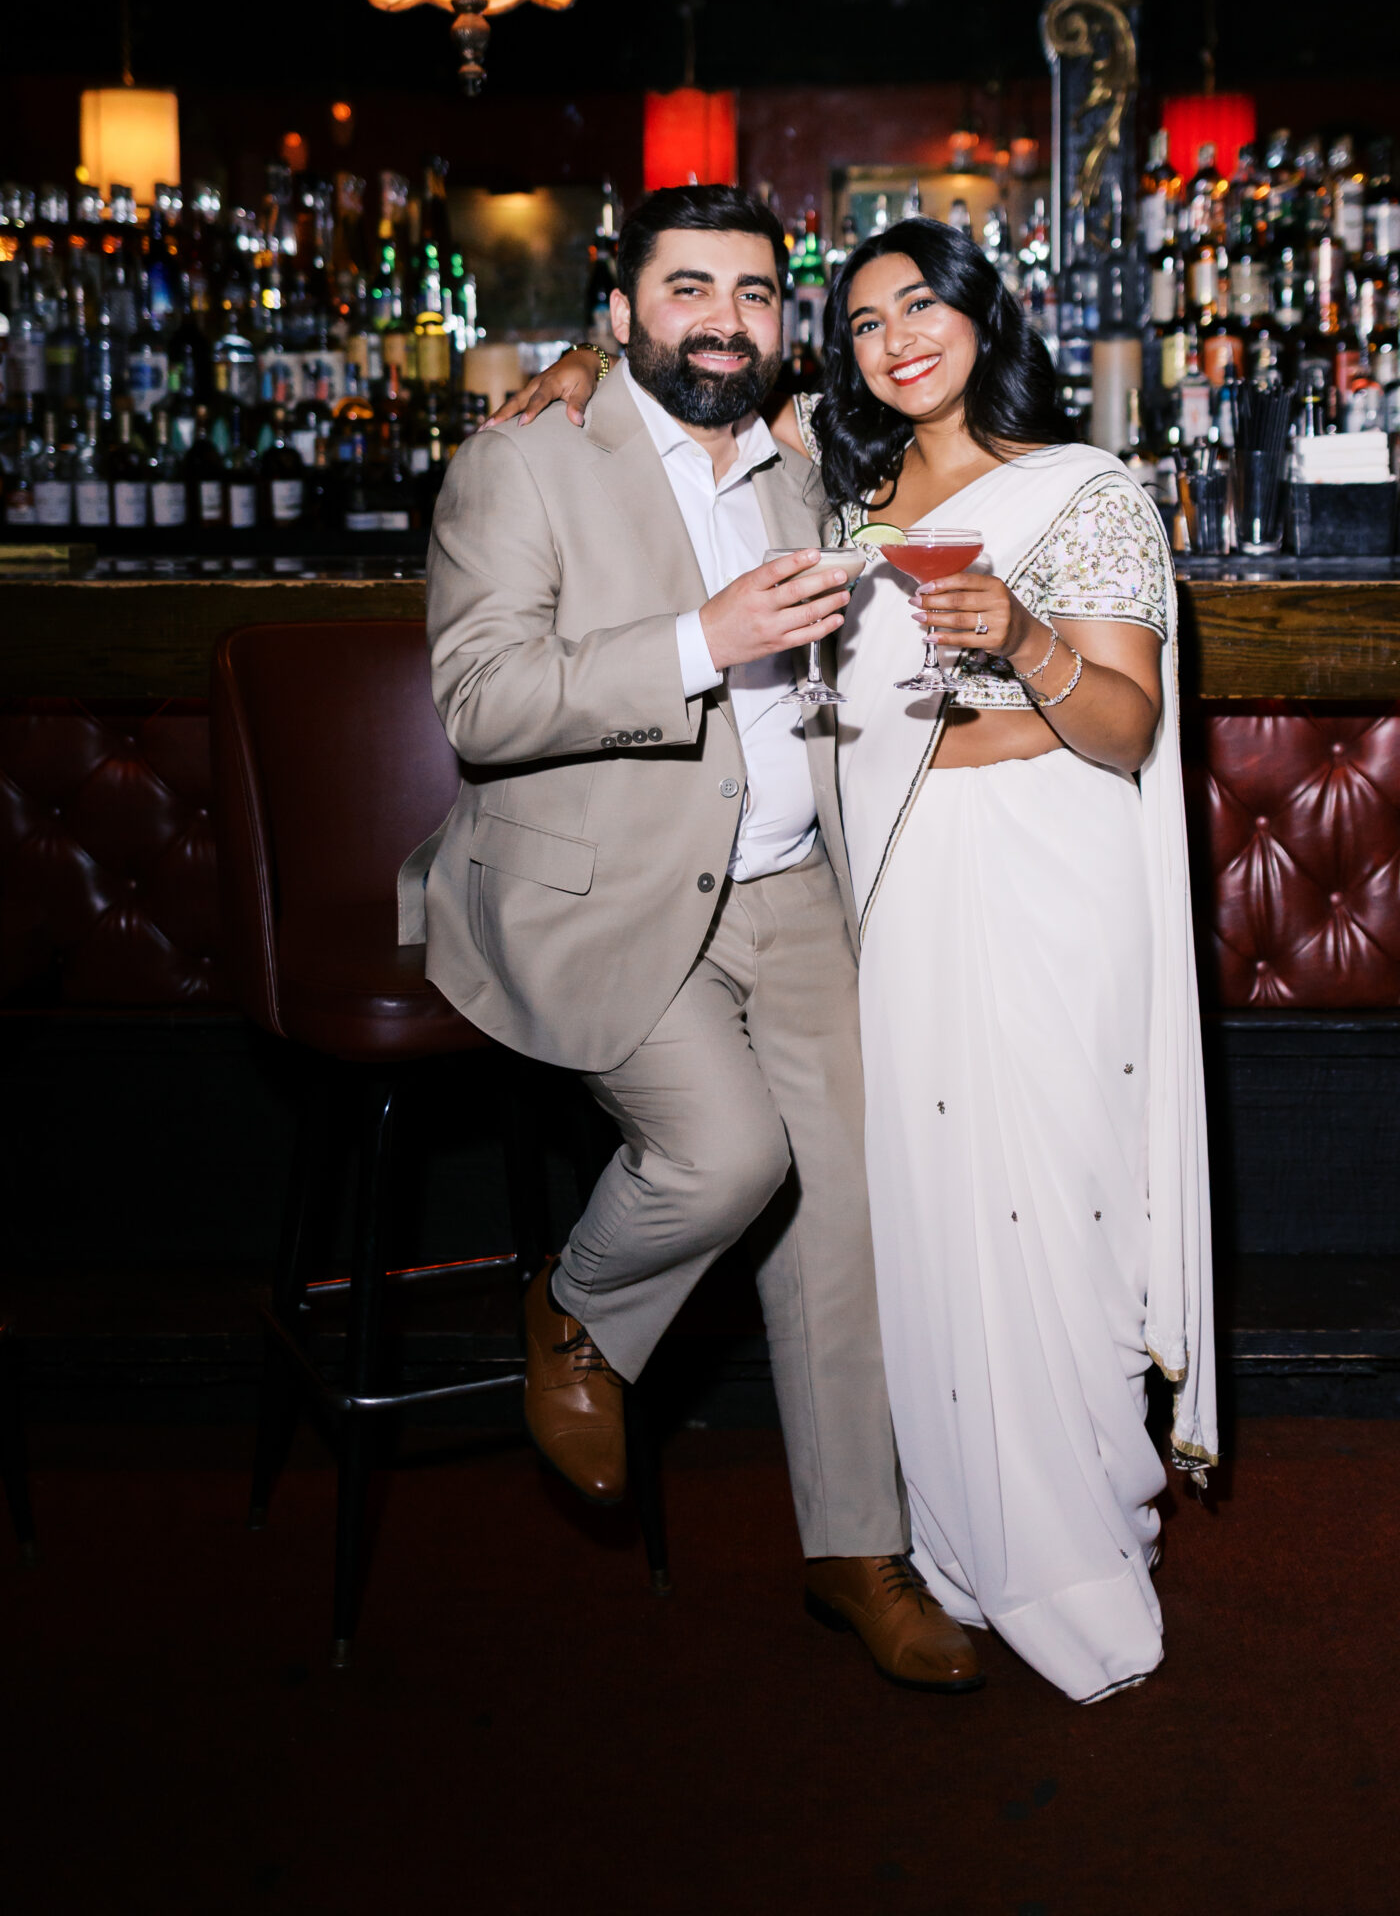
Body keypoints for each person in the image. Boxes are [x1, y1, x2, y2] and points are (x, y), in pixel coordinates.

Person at [492, 210, 1216, 1703]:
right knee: (828, 1181)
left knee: (970, 1211)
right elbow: (492, 686)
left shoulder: (969, 480)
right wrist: (578, 366)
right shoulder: (749, 464)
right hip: (767, 898)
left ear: (976, 315)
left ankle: (970, 1543)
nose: (894, 339)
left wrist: (1014, 633)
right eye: (865, 317)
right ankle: (626, 1332)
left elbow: (1119, 725)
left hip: (955, 895)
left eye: (921, 307)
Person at [408, 186, 983, 1694]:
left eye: (750, 292)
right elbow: (478, 703)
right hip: (599, 890)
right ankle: (576, 1307)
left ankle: (857, 1552)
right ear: (617, 311)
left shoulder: (804, 461)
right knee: (728, 1159)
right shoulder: (521, 459)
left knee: (851, 1204)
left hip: (790, 890)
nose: (719, 318)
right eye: (684, 289)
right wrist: (694, 645)